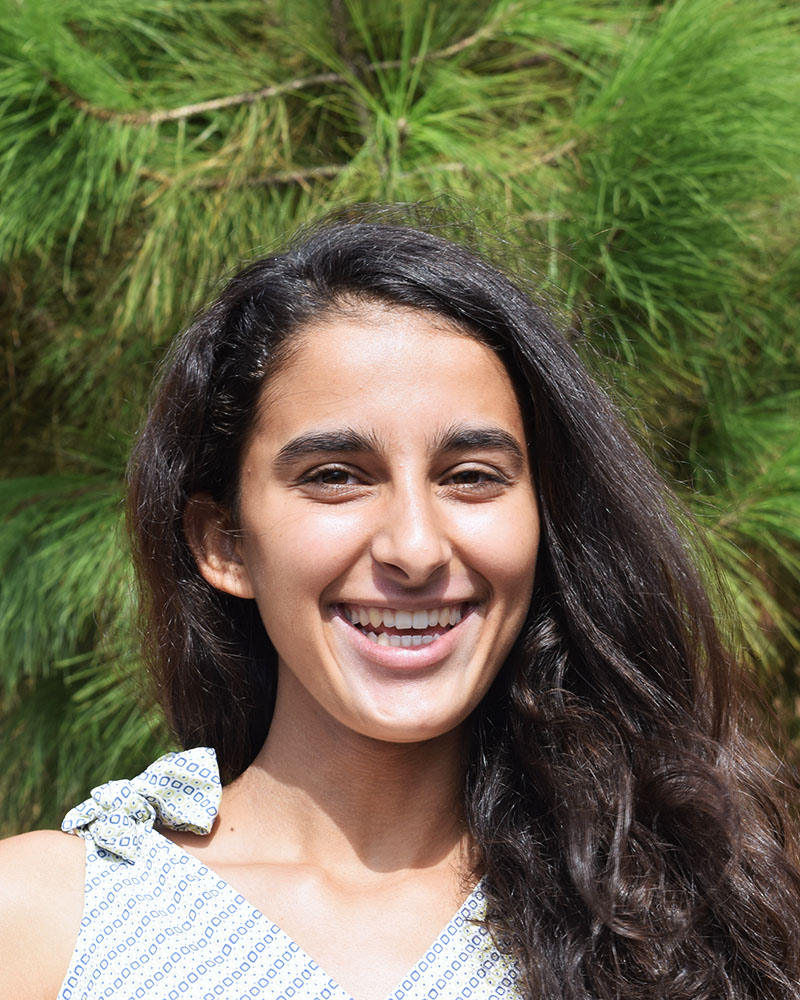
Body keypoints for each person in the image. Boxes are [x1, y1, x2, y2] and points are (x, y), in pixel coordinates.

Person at [1, 214, 799, 1000]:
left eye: (471, 475)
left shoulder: (700, 918)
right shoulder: (50, 921)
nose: (415, 549)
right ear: (226, 543)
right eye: (336, 476)